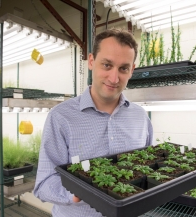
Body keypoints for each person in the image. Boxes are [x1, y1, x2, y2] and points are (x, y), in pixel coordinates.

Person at [34, 28, 153, 217]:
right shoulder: (61, 118)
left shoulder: (141, 118)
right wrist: (76, 192)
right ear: (91, 61)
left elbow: (148, 168)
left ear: (132, 70)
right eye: (107, 65)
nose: (114, 78)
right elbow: (44, 183)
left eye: (123, 68)